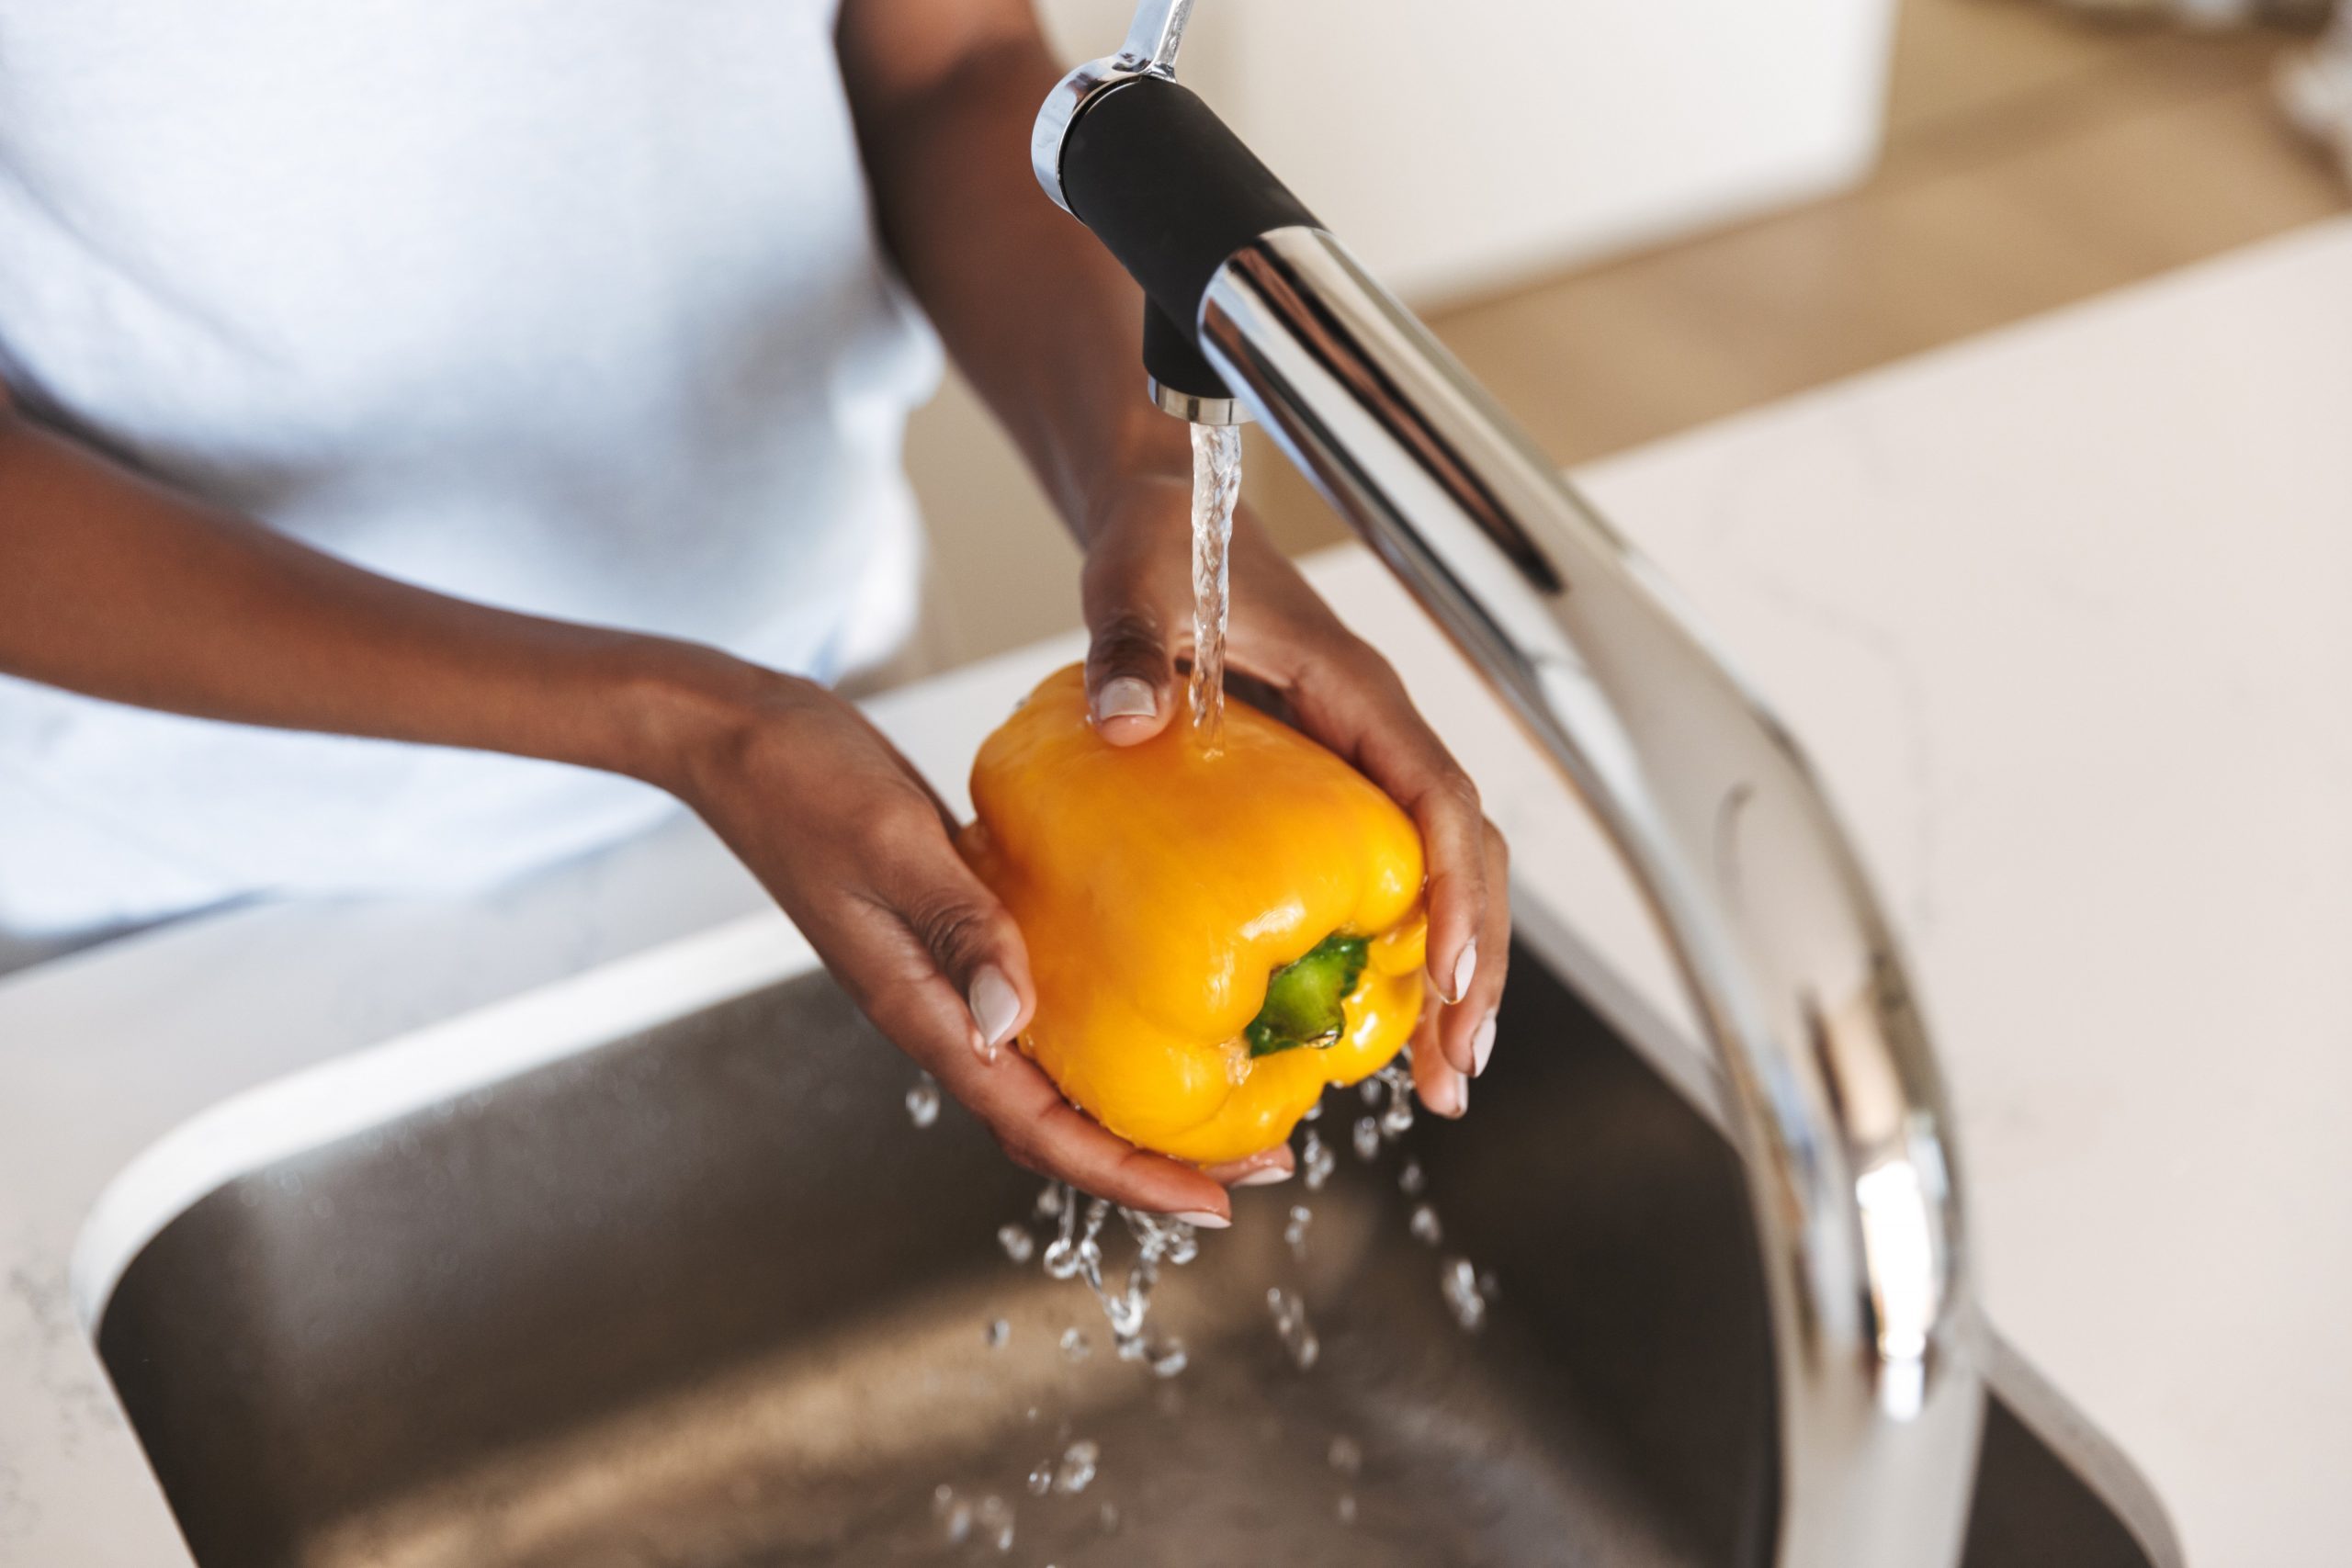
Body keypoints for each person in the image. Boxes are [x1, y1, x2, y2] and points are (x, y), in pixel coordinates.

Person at [0, 0, 1509, 1224]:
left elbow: (951, 62)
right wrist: (688, 724)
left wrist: (1136, 466)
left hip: (831, 741)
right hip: (175, 914)